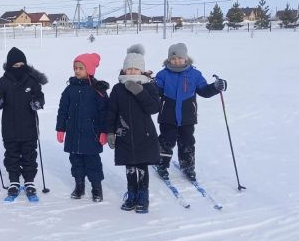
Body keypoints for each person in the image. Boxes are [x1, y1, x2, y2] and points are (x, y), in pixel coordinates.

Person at [155, 43, 227, 181]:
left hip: (187, 117)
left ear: (186, 58)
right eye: (173, 58)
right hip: (167, 116)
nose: (176, 61)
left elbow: (204, 91)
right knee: (166, 141)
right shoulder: (162, 74)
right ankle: (162, 165)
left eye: (179, 58)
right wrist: (149, 85)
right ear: (169, 59)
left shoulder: (195, 74)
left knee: (187, 141)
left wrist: (216, 87)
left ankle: (188, 167)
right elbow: (156, 91)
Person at [105, 45, 160, 213]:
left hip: (145, 135)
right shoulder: (117, 88)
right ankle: (132, 195)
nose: (132, 72)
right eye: (129, 69)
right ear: (124, 70)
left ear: (142, 70)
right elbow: (111, 112)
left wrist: (140, 92)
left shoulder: (149, 86)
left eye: (136, 68)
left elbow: (154, 108)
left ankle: (143, 196)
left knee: (142, 167)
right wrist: (110, 132)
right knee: (129, 167)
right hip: (125, 134)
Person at [0, 47, 48, 198]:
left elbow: (39, 96)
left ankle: (29, 180)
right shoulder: (3, 82)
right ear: (10, 66)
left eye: (21, 65)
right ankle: (14, 180)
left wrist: (37, 102)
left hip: (28, 126)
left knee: (29, 154)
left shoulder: (32, 80)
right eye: (15, 66)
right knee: (12, 155)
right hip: (9, 127)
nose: (18, 68)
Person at [56, 53, 109, 202]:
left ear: (90, 70)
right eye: (75, 68)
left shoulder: (98, 91)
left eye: (81, 68)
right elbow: (63, 110)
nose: (77, 71)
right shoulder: (69, 90)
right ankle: (79, 186)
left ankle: (96, 188)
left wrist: (104, 131)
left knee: (93, 163)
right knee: (76, 161)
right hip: (73, 134)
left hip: (91, 134)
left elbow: (104, 113)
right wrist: (60, 128)